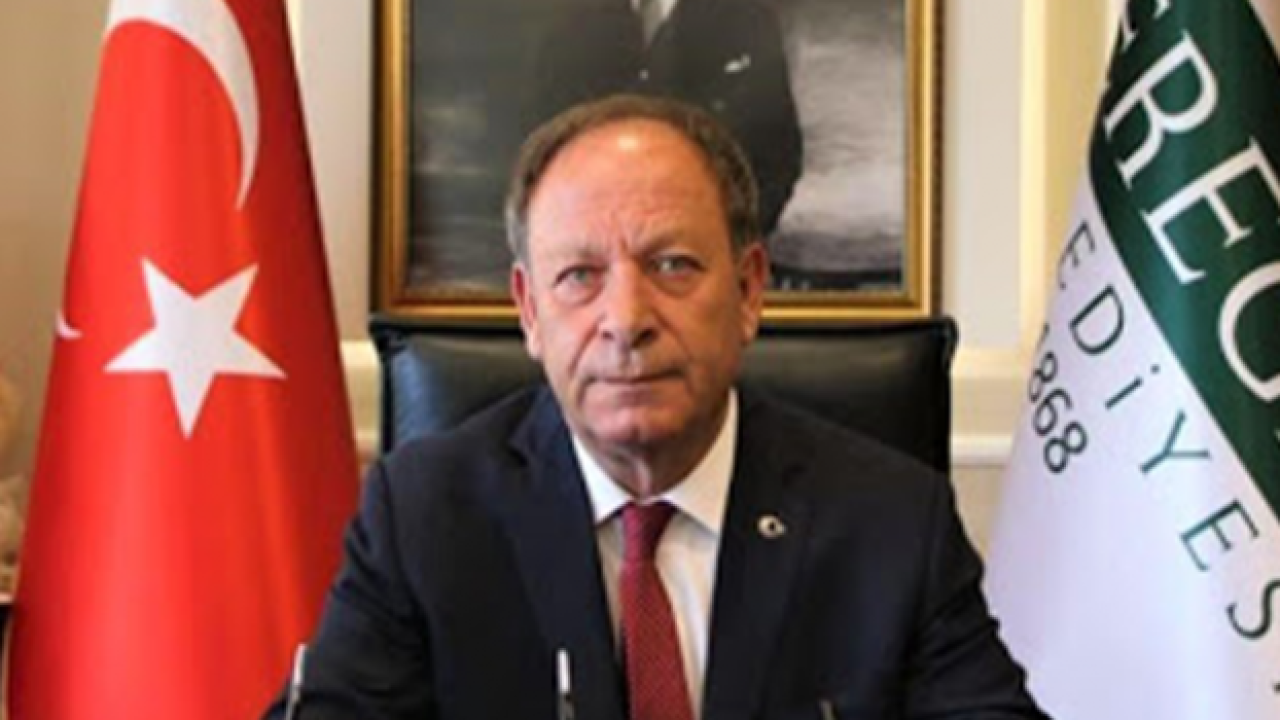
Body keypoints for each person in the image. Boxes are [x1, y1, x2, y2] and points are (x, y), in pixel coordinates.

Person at [263, 95, 1046, 719]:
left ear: (749, 290)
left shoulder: (890, 523)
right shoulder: (423, 518)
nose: (626, 318)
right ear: (529, 311)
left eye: (672, 265)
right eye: (579, 276)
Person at [525, 0, 803, 237]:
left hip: (709, 250)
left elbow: (777, 152)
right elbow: (547, 158)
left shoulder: (745, 17)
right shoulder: (571, 28)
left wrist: (730, 243)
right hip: (601, 251)